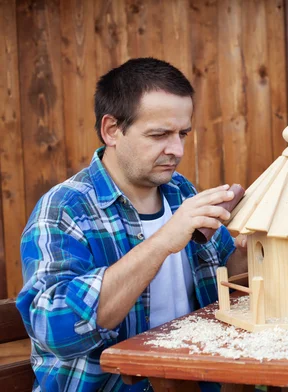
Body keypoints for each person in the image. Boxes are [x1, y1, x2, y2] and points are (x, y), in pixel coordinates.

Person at [17, 58, 248, 391]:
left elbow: (229, 273)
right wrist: (161, 242)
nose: (177, 149)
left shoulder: (179, 190)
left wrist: (254, 249)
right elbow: (55, 330)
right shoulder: (66, 208)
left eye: (182, 133)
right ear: (112, 130)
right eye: (159, 134)